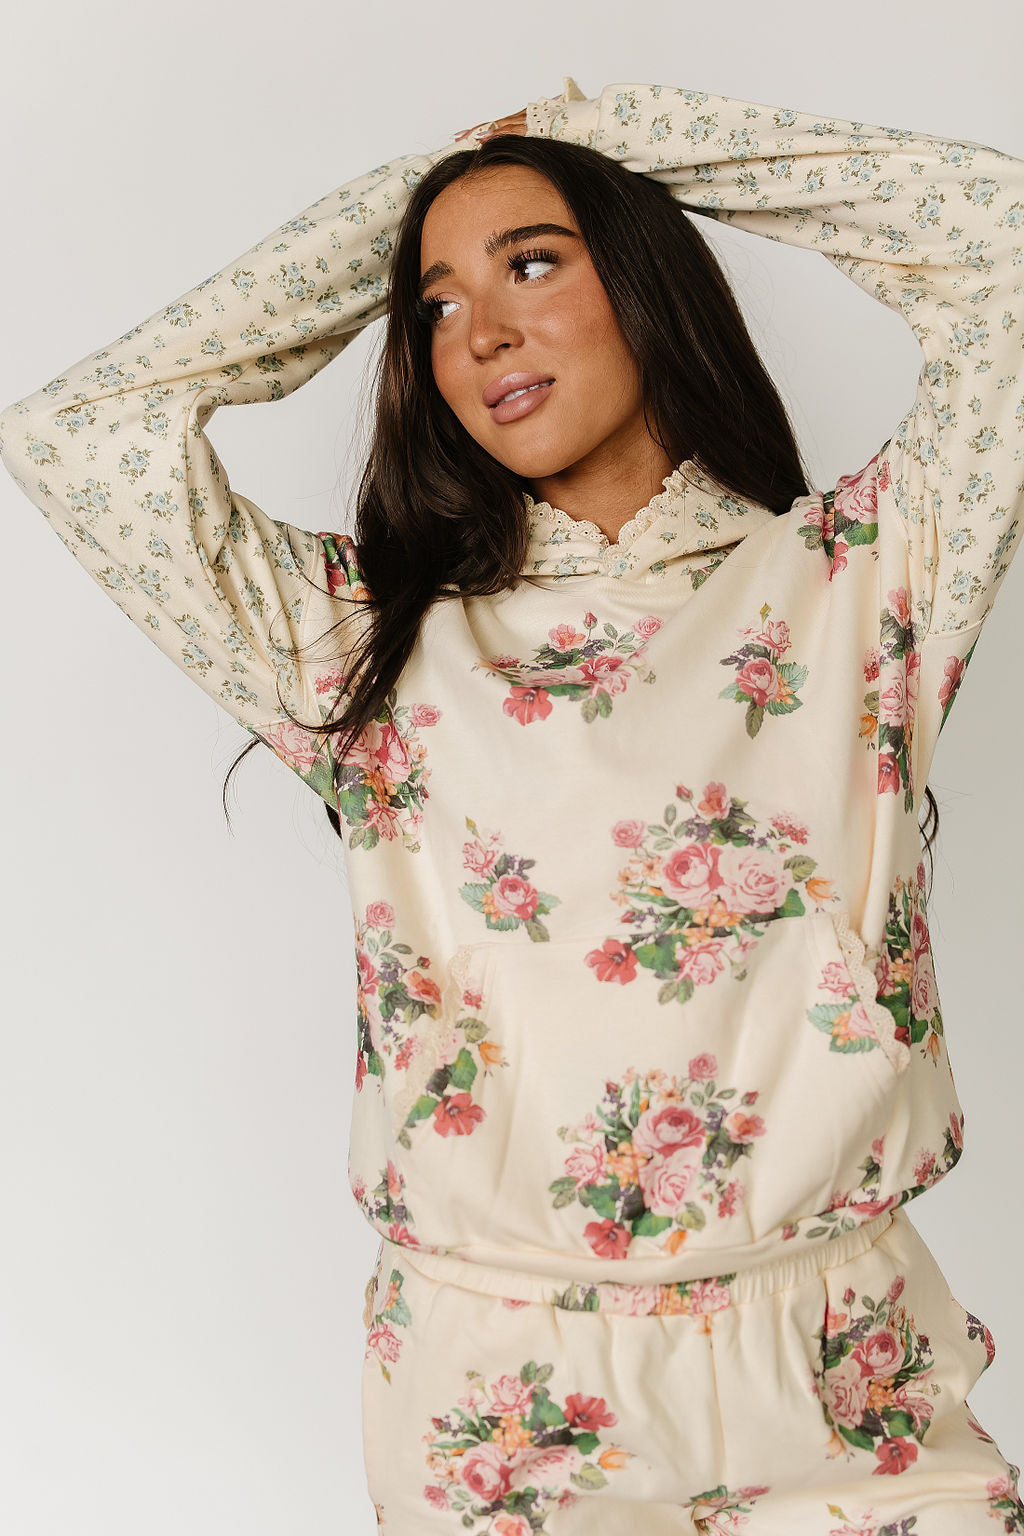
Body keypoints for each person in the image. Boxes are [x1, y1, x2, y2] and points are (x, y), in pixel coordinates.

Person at [1, 72, 1022, 1535]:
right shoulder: (357, 639)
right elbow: (79, 431)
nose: (476, 335)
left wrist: (620, 141)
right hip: (506, 1399)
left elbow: (1007, 248)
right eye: (434, 306)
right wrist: (410, 199)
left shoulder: (867, 579)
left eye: (534, 264)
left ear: (646, 280)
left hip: (841, 1369)